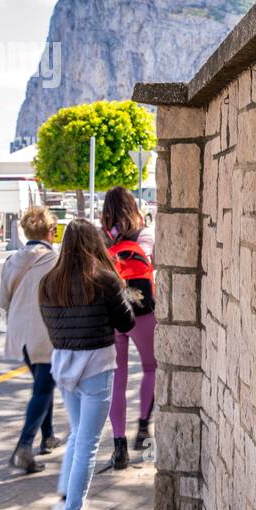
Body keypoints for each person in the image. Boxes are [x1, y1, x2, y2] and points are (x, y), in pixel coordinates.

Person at [39, 218, 136, 510]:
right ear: (93, 243)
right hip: (96, 365)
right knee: (88, 443)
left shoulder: (49, 282)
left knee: (77, 434)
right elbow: (127, 322)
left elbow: (52, 328)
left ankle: (65, 502)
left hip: (64, 366)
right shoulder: (105, 280)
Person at [0, 206, 61, 474]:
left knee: (41, 382)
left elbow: (2, 303)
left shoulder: (12, 261)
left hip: (20, 335)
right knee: (43, 388)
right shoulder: (55, 260)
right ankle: (24, 446)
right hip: (45, 333)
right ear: (50, 232)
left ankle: (48, 436)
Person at [100, 186, 157, 470]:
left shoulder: (101, 240)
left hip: (112, 316)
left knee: (117, 382)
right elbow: (150, 265)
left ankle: (118, 447)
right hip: (141, 312)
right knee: (150, 368)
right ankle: (144, 427)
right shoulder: (144, 234)